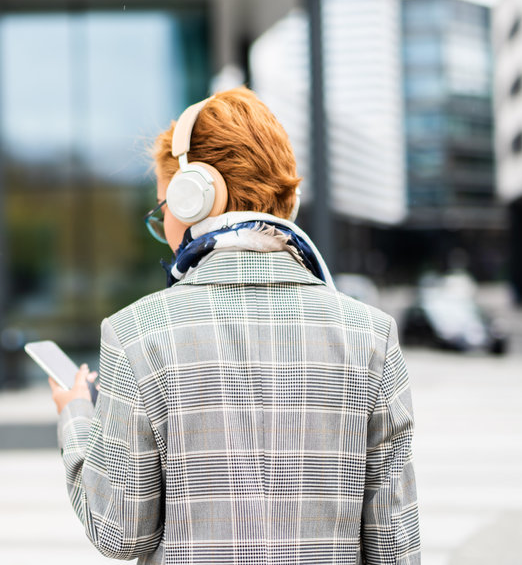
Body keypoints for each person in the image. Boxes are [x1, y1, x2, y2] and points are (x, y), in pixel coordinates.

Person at [48, 88, 421, 564]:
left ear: (192, 199)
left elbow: (120, 532)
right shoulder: (373, 337)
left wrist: (76, 414)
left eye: (165, 207)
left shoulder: (135, 335)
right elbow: (395, 549)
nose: (164, 225)